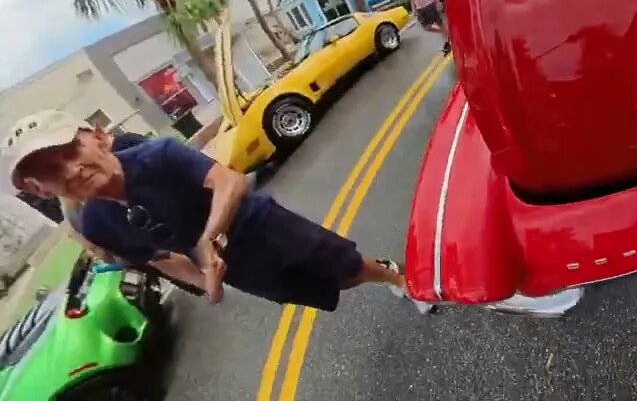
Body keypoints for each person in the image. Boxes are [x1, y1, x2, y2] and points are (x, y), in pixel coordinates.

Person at [5, 110, 434, 314]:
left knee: (348, 265)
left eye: (68, 149)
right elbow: (158, 258)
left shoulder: (160, 155)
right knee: (327, 287)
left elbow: (230, 181)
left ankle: (396, 276)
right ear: (42, 189)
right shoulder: (97, 222)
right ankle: (376, 274)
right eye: (49, 171)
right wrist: (205, 281)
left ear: (97, 137)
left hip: (262, 226)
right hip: (238, 268)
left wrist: (210, 239)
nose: (70, 168)